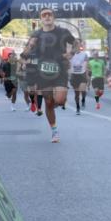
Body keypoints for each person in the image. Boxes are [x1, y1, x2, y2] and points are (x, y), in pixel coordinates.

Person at [30, 8, 76, 141]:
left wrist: (71, 53)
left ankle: (60, 100)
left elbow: (76, 43)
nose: (47, 17)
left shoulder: (63, 32)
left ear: (53, 17)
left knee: (59, 100)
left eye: (49, 14)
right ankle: (54, 131)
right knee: (49, 102)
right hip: (43, 72)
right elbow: (29, 50)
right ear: (41, 19)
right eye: (44, 15)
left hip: (60, 69)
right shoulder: (37, 34)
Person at [68, 42, 90, 115]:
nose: (77, 48)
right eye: (75, 47)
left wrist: (87, 76)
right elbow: (67, 65)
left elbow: (86, 65)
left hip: (82, 75)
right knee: (77, 94)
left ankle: (83, 99)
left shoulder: (84, 55)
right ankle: (78, 107)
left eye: (78, 46)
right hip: (74, 75)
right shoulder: (70, 56)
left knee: (83, 89)